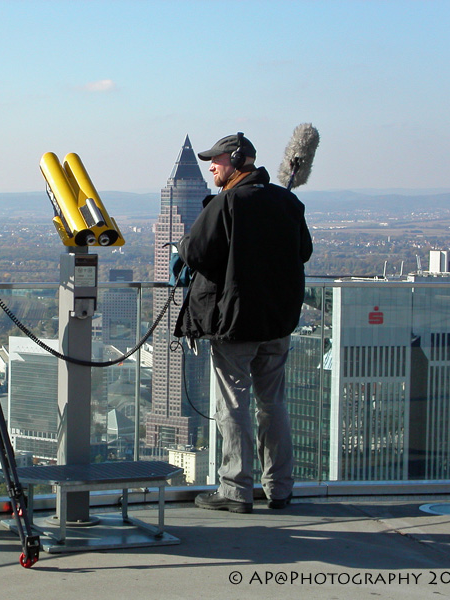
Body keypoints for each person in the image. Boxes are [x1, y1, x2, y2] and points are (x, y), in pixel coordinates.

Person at [174, 132, 312, 514]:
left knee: (232, 406)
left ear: (236, 160)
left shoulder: (228, 202)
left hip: (236, 323)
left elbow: (195, 251)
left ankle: (235, 489)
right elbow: (304, 251)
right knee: (274, 404)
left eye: (216, 160)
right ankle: (279, 488)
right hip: (277, 322)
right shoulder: (287, 201)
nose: (212, 166)